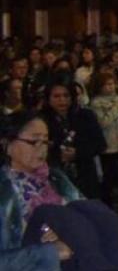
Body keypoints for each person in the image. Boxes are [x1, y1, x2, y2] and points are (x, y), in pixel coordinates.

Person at [1, 110, 80, 268]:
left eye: (45, 141)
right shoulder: (4, 191)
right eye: (34, 141)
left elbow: (82, 211)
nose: (42, 148)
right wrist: (48, 253)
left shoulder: (56, 177)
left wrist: (66, 231)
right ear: (6, 144)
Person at [43, 78, 104, 202]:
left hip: (84, 176)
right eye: (56, 96)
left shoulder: (86, 116)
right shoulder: (41, 120)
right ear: (48, 98)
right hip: (54, 177)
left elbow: (100, 144)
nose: (62, 100)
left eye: (66, 96)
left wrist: (78, 153)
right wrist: (56, 153)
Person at [87, 71, 118, 208]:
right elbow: (103, 122)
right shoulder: (96, 103)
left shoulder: (116, 99)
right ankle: (105, 203)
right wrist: (113, 109)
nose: (111, 87)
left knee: (114, 174)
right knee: (106, 178)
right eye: (107, 84)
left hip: (117, 141)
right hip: (105, 144)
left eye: (112, 84)